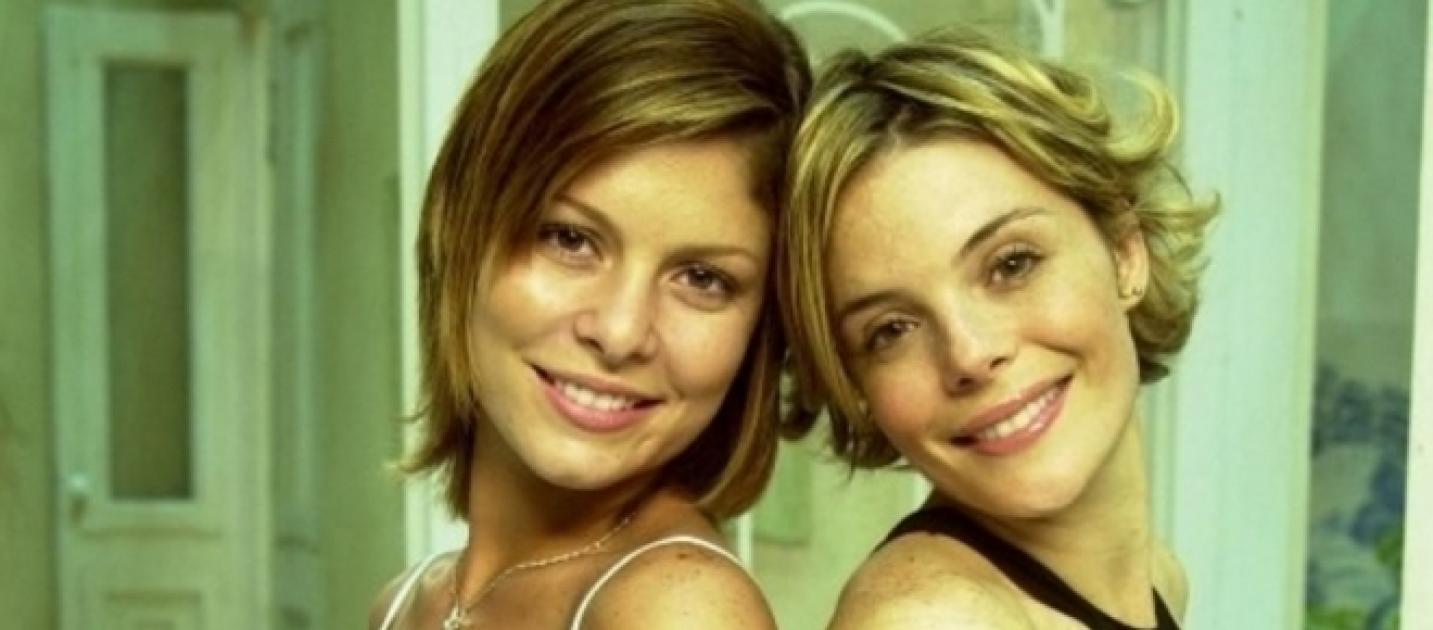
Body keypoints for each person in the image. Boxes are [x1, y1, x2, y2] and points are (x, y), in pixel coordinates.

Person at [370, 0, 808, 628]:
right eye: (571, 239)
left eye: (702, 279)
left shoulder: (680, 608)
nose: (621, 333)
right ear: (460, 227)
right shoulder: (407, 604)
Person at [780, 28, 1216, 629]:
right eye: (892, 329)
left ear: (1124, 251)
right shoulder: (931, 620)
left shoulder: (1157, 580)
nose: (969, 353)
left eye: (1011, 265)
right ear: (854, 383)